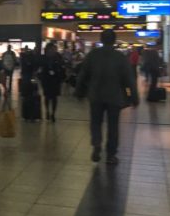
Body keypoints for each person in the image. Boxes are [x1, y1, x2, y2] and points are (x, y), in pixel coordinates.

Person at [75, 30, 139, 165]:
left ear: (101, 39)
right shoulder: (120, 57)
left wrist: (79, 91)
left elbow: (83, 74)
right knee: (113, 126)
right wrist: (134, 97)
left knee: (96, 122)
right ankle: (111, 155)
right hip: (114, 97)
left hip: (96, 95)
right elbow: (129, 79)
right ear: (114, 40)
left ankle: (97, 144)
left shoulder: (93, 55)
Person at [39, 43, 65, 122]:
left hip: (55, 80)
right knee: (47, 97)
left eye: (54, 49)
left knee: (54, 98)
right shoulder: (43, 58)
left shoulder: (58, 57)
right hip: (46, 80)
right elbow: (40, 68)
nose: (52, 51)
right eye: (51, 49)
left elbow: (61, 67)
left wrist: (61, 77)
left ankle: (53, 113)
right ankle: (47, 111)